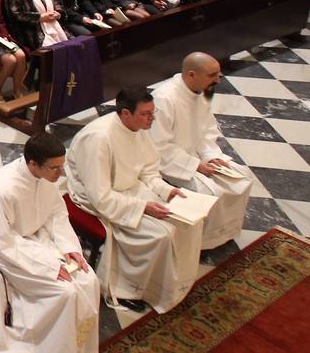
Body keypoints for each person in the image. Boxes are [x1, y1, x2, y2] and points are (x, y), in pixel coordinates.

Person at [0, 132, 100, 353]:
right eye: (55, 168)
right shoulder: (4, 188)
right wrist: (49, 266)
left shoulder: (44, 178)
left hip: (35, 238)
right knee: (65, 292)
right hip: (5, 249)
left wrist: (70, 248)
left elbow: (56, 215)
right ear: (33, 164)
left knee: (89, 278)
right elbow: (2, 242)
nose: (61, 174)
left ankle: (75, 349)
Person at [64, 86, 200, 313]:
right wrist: (143, 208)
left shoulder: (137, 127)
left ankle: (172, 285)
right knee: (160, 235)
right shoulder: (98, 138)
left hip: (130, 189)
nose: (152, 119)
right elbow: (100, 196)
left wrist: (166, 191)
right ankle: (128, 288)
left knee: (185, 223)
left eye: (153, 112)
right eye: (146, 114)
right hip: (96, 197)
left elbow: (148, 170)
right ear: (125, 113)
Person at [149, 52, 253, 250]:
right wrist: (196, 165)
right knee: (211, 192)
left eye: (219, 74)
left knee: (242, 177)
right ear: (191, 75)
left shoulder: (201, 91)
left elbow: (207, 129)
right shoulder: (164, 98)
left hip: (198, 156)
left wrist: (211, 156)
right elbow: (158, 145)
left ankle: (225, 235)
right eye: (213, 74)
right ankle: (203, 244)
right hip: (172, 164)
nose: (218, 79)